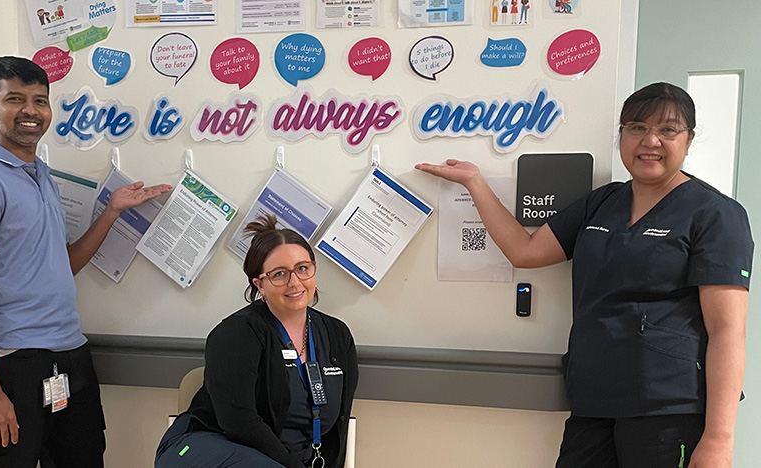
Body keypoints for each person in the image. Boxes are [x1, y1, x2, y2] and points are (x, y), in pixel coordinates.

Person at [416, 82, 753, 468]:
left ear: (689, 140)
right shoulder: (604, 202)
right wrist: (475, 181)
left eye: (668, 130)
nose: (651, 141)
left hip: (669, 409)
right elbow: (524, 251)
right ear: (622, 135)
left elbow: (728, 331)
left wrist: (719, 439)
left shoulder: (715, 215)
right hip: (593, 401)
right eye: (637, 128)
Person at [0, 56, 171, 468]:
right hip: (16, 362)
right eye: (16, 99)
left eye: (40, 100)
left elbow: (61, 265)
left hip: (70, 354)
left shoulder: (43, 176)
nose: (31, 111)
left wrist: (112, 212)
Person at [156, 215, 358, 468]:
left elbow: (338, 424)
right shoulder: (238, 333)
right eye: (279, 274)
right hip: (211, 447)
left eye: (303, 268)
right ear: (259, 285)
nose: (295, 282)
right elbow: (239, 422)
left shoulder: (337, 335)